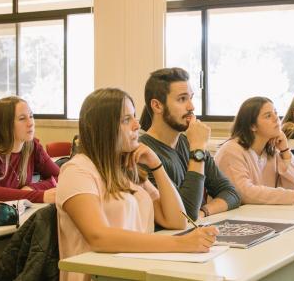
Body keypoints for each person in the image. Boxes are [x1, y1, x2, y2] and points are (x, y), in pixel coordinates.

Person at [57, 88, 218, 281]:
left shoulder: (127, 170)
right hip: (98, 275)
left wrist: (157, 165)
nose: (137, 124)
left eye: (134, 116)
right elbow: (99, 237)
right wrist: (181, 243)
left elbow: (177, 220)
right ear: (103, 128)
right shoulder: (78, 171)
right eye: (126, 120)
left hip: (134, 271)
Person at [138, 67, 240, 220]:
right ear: (157, 106)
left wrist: (204, 211)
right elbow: (185, 213)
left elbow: (231, 193)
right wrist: (198, 149)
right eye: (182, 99)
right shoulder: (143, 154)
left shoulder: (189, 142)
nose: (191, 107)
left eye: (191, 98)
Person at [214, 96, 294, 205]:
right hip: (231, 218)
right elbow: (243, 193)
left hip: (261, 215)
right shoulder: (231, 151)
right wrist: (292, 196)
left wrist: (285, 151)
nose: (276, 118)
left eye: (275, 113)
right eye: (268, 116)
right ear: (252, 126)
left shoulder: (272, 150)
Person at [0, 96, 58, 203]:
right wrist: (40, 196)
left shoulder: (32, 146)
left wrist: (33, 188)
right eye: (22, 118)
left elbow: (60, 176)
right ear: (5, 125)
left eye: (31, 116)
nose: (31, 123)